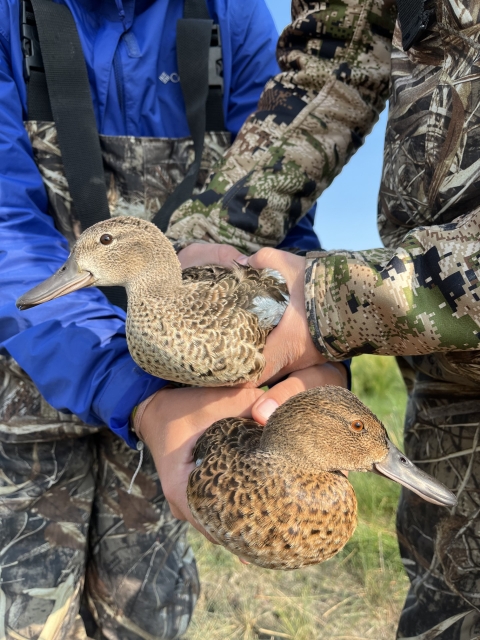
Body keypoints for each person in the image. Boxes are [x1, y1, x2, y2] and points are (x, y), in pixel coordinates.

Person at [0, 0, 348, 638]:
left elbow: (275, 208)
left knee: (147, 613)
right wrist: (137, 389)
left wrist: (312, 349)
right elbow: (5, 225)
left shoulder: (232, 19)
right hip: (36, 374)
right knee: (22, 612)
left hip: (193, 389)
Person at [149, 1, 480, 638]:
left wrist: (335, 297)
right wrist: (202, 273)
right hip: (447, 365)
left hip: (408, 306)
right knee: (444, 599)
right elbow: (331, 63)